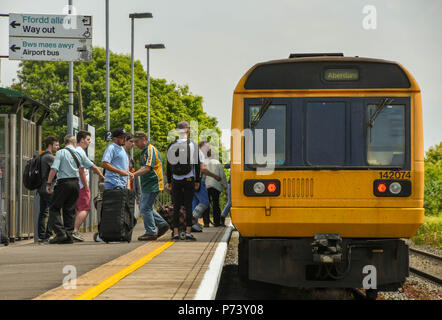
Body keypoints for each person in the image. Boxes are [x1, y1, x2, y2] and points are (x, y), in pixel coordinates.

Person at [45, 135, 96, 244]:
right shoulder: (79, 153)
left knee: (54, 207)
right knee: (70, 210)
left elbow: (54, 168)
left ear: (65, 143)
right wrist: (101, 175)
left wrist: (49, 183)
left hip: (64, 183)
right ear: (74, 143)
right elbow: (91, 165)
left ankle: (60, 233)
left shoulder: (61, 152)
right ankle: (68, 235)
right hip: (75, 184)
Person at [166, 121, 200, 241]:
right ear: (188, 130)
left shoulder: (172, 145)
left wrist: (169, 181)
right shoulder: (192, 145)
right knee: (188, 206)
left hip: (176, 179)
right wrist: (197, 180)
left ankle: (175, 233)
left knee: (176, 206)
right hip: (189, 178)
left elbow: (169, 165)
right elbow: (197, 165)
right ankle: (188, 233)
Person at [133, 131, 169, 241]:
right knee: (146, 207)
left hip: (153, 183)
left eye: (137, 141)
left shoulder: (150, 150)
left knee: (144, 208)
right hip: (147, 184)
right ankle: (162, 224)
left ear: (144, 139)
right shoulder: (144, 151)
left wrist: (133, 174)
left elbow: (147, 167)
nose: (135, 144)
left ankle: (151, 232)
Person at [73, 131, 105, 242]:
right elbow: (84, 169)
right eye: (87, 139)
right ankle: (74, 230)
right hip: (82, 185)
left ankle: (73, 231)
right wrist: (86, 185)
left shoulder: (76, 151)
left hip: (76, 184)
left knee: (78, 209)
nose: (89, 142)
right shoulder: (80, 151)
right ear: (81, 140)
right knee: (85, 208)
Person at [192, 141, 222, 227]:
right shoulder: (200, 153)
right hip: (198, 180)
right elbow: (202, 169)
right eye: (207, 147)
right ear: (202, 146)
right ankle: (192, 219)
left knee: (194, 202)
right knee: (205, 202)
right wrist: (215, 176)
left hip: (190, 180)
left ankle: (193, 224)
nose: (208, 149)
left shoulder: (193, 153)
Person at [37, 136, 59, 243]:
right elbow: (54, 172)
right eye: (56, 145)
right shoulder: (50, 157)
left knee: (43, 212)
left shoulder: (41, 156)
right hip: (48, 187)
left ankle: (41, 236)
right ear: (50, 145)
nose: (58, 147)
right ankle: (48, 234)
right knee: (53, 210)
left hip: (41, 187)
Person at [204, 149, 227, 227]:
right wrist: (225, 186)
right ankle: (217, 222)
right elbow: (222, 175)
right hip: (216, 186)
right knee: (216, 204)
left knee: (206, 204)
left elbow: (203, 175)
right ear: (213, 155)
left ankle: (206, 223)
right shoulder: (217, 163)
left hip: (206, 185)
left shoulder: (205, 163)